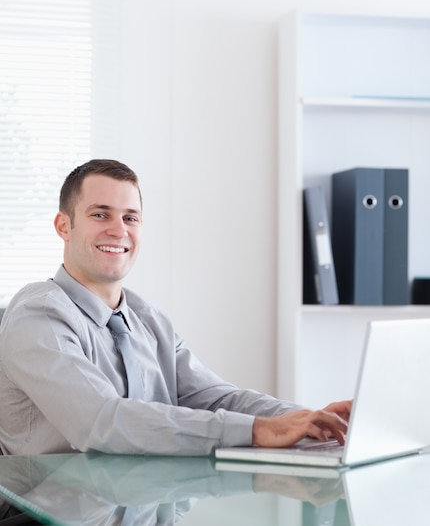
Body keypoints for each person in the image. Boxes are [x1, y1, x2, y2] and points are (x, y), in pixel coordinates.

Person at [0, 159, 351, 456]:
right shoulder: (39, 315)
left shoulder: (147, 319)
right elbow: (101, 421)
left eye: (130, 218)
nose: (118, 230)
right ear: (64, 226)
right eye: (100, 214)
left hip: (141, 505)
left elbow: (214, 399)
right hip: (48, 513)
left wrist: (308, 419)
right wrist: (259, 431)